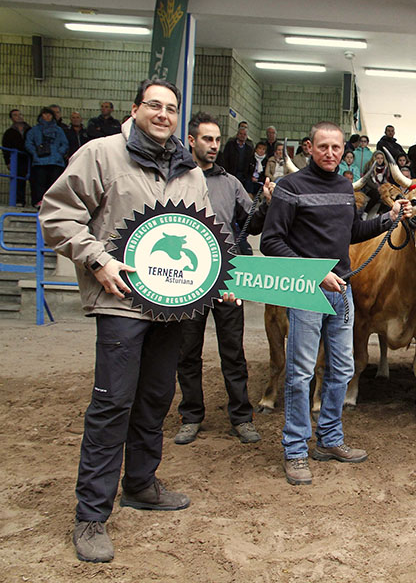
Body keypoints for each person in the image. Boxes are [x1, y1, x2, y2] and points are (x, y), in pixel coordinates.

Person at [39, 78, 219, 563]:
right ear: (135, 108)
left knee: (158, 397)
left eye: (171, 108)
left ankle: (140, 483)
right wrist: (97, 259)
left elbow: (202, 238)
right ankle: (91, 514)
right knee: (112, 403)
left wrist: (218, 282)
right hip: (121, 302)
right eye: (154, 105)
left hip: (171, 305)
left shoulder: (190, 170)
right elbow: (56, 215)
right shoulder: (101, 154)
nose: (163, 114)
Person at [260, 121, 412, 486]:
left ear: (345, 151)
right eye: (323, 147)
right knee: (300, 373)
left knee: (342, 369)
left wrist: (388, 219)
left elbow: (352, 233)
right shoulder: (289, 188)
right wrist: (313, 273)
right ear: (309, 148)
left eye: (337, 148)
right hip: (307, 290)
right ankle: (295, 450)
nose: (330, 153)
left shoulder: (346, 189)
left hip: (341, 289)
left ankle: (329, 439)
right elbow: (271, 241)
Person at [175, 113, 270, 446]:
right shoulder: (174, 179)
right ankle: (191, 415)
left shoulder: (231, 183)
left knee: (233, 351)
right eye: (207, 139)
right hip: (187, 280)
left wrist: (266, 204)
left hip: (228, 278)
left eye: (217, 140)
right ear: (191, 141)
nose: (213, 146)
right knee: (187, 351)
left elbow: (253, 224)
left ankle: (241, 418)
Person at [24, 106, 68, 208]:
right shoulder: (34, 130)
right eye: (45, 114)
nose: (47, 116)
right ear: (41, 115)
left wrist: (59, 154)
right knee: (39, 183)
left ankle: (53, 203)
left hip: (56, 162)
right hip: (39, 161)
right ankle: (40, 202)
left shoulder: (59, 130)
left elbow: (65, 144)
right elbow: (28, 143)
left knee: (54, 184)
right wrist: (35, 153)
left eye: (49, 114)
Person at [2, 108, 31, 206]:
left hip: (30, 157)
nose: (19, 116)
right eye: (15, 115)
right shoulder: (9, 132)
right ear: (11, 118)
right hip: (17, 159)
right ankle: (19, 201)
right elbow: (5, 149)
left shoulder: (30, 130)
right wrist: (8, 162)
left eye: (20, 114)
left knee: (34, 179)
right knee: (19, 180)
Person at [217, 126, 255, 193]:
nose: (242, 136)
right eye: (240, 134)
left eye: (244, 134)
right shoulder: (230, 145)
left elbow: (251, 163)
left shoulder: (249, 149)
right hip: (231, 173)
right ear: (237, 135)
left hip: (243, 175)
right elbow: (225, 159)